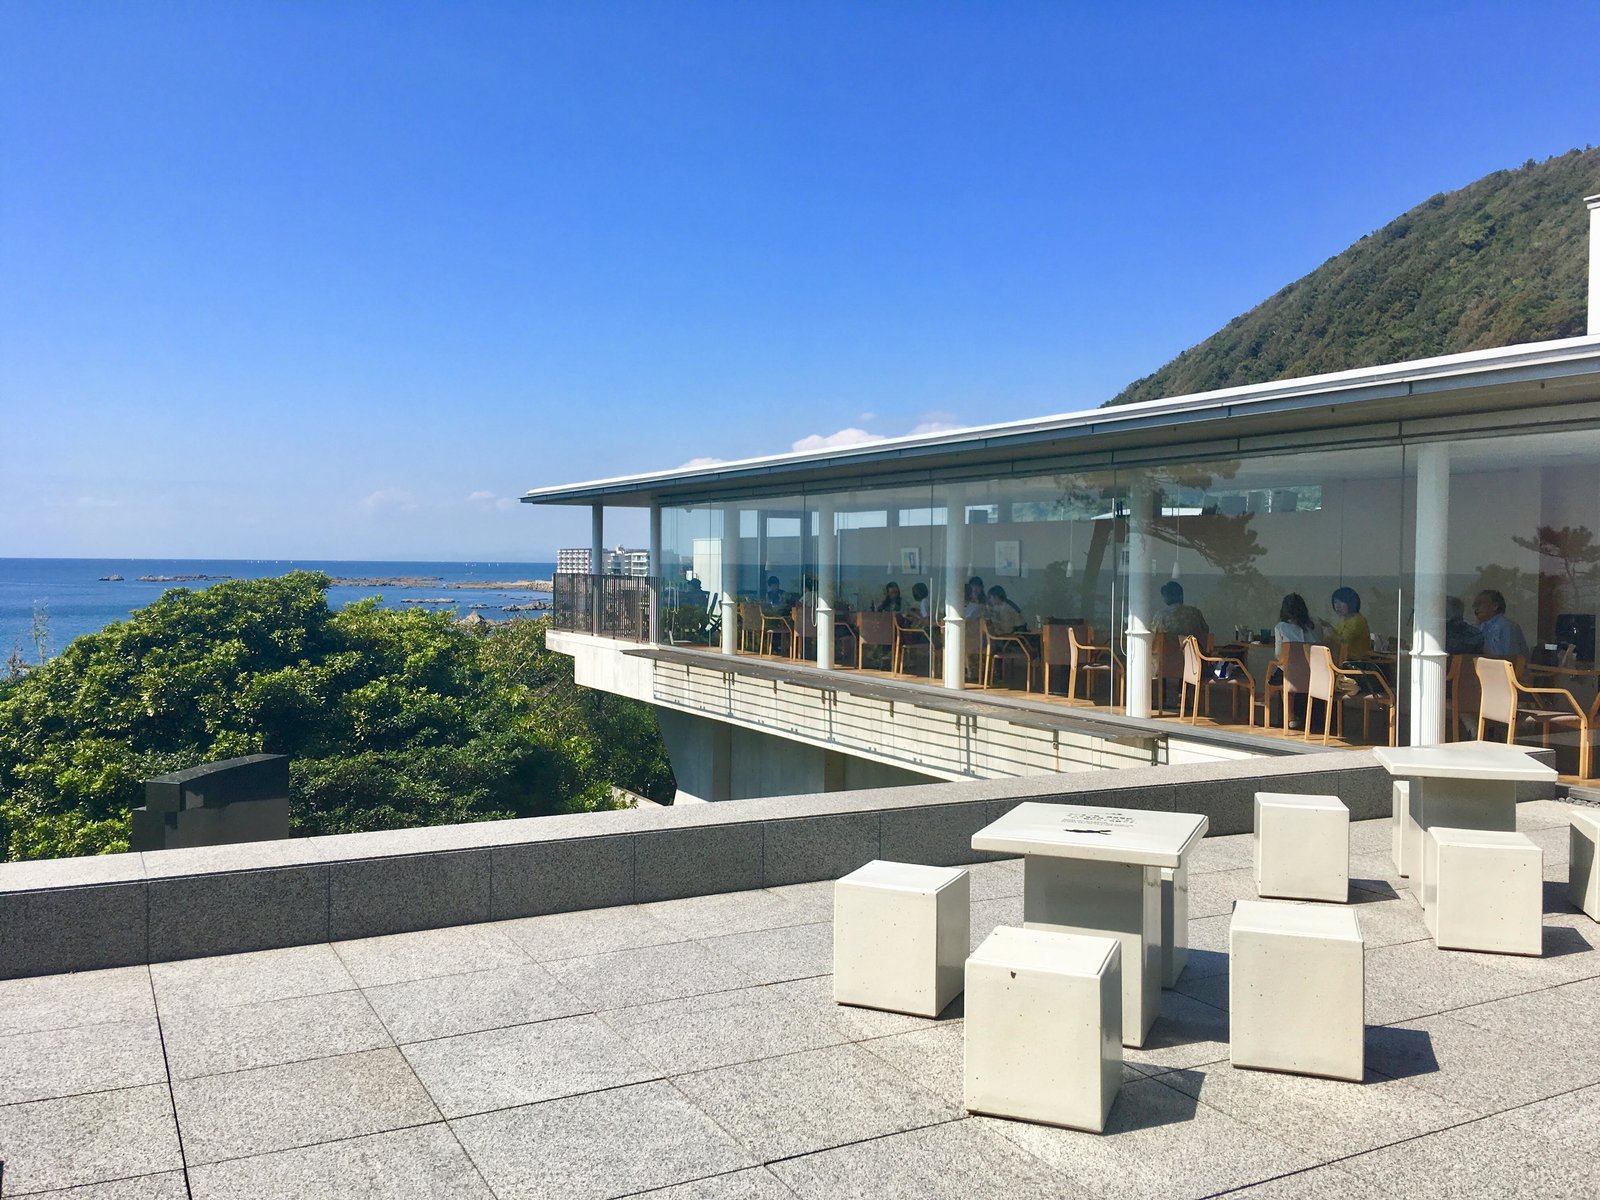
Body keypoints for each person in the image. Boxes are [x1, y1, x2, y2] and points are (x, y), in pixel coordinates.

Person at [1474, 589, 1529, 661]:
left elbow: (1511, 657)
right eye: (1475, 605)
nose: (1476, 608)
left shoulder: (1506, 626)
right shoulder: (1480, 626)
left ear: (1495, 606)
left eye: (1480, 603)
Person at [1151, 580, 1209, 644]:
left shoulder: (1160, 616)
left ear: (1168, 596)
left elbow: (1152, 638)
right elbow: (1205, 633)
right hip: (1192, 652)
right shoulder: (1195, 613)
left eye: (1165, 595)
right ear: (1181, 596)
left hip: (1167, 652)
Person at [1325, 586, 1372, 663]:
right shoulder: (1343, 619)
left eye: (1341, 602)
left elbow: (1342, 642)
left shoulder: (1356, 620)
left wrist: (1328, 630)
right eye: (1335, 602)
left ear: (1351, 602)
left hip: (1355, 663)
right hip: (1343, 660)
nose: (1337, 606)